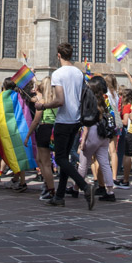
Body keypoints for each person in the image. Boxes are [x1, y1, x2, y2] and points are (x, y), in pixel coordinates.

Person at [36, 42, 95, 209]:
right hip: (76, 121)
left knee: (61, 158)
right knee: (65, 159)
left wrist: (43, 106)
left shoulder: (58, 74)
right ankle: (59, 196)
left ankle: (84, 187)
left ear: (59, 55)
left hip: (63, 121)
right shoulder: (78, 73)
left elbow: (60, 100)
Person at [77, 77, 116, 203]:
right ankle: (110, 191)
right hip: (103, 135)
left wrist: (82, 141)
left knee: (83, 163)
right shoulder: (104, 101)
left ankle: (76, 188)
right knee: (105, 163)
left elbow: (87, 124)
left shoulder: (90, 100)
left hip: (93, 133)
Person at [25, 77, 57, 200]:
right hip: (54, 130)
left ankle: (50, 190)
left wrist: (28, 136)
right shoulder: (56, 101)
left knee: (46, 163)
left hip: (44, 130)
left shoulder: (43, 102)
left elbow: (36, 121)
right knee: (40, 159)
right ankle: (47, 184)